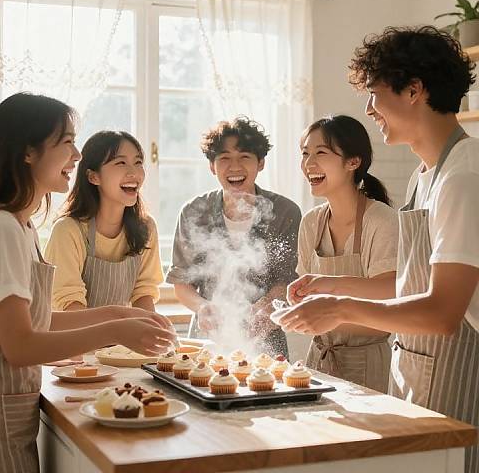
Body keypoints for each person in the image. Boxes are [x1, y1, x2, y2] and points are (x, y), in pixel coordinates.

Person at [279, 26, 479, 473]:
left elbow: (444, 313)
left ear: (414, 90)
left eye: (374, 93)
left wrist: (340, 307)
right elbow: (409, 287)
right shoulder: (424, 176)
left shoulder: (463, 176)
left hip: (461, 374)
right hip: (417, 373)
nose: (369, 109)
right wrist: (331, 293)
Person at [0, 93, 176, 473]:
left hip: (7, 399)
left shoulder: (20, 225)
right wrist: (115, 328)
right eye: (66, 143)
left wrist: (117, 313)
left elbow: (37, 320)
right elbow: (19, 346)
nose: (77, 155)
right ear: (28, 152)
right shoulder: (0, 228)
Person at [166, 117, 301, 356]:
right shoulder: (194, 212)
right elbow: (181, 283)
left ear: (260, 163)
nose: (234, 167)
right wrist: (204, 307)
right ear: (212, 166)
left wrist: (266, 308)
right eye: (224, 158)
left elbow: (286, 280)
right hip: (208, 339)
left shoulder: (285, 212)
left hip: (265, 338)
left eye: (244, 157)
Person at [295, 115, 398, 392]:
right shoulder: (311, 223)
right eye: (305, 153)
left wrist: (330, 293)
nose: (308, 164)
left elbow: (391, 291)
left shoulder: (382, 220)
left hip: (368, 363)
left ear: (353, 162)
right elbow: (306, 295)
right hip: (318, 361)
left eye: (320, 153)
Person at [45, 131, 163, 312]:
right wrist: (114, 333)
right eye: (121, 163)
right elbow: (69, 304)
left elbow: (143, 293)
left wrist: (155, 332)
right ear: (93, 177)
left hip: (120, 336)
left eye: (138, 162)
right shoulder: (68, 230)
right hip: (72, 337)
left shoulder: (146, 228)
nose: (134, 173)